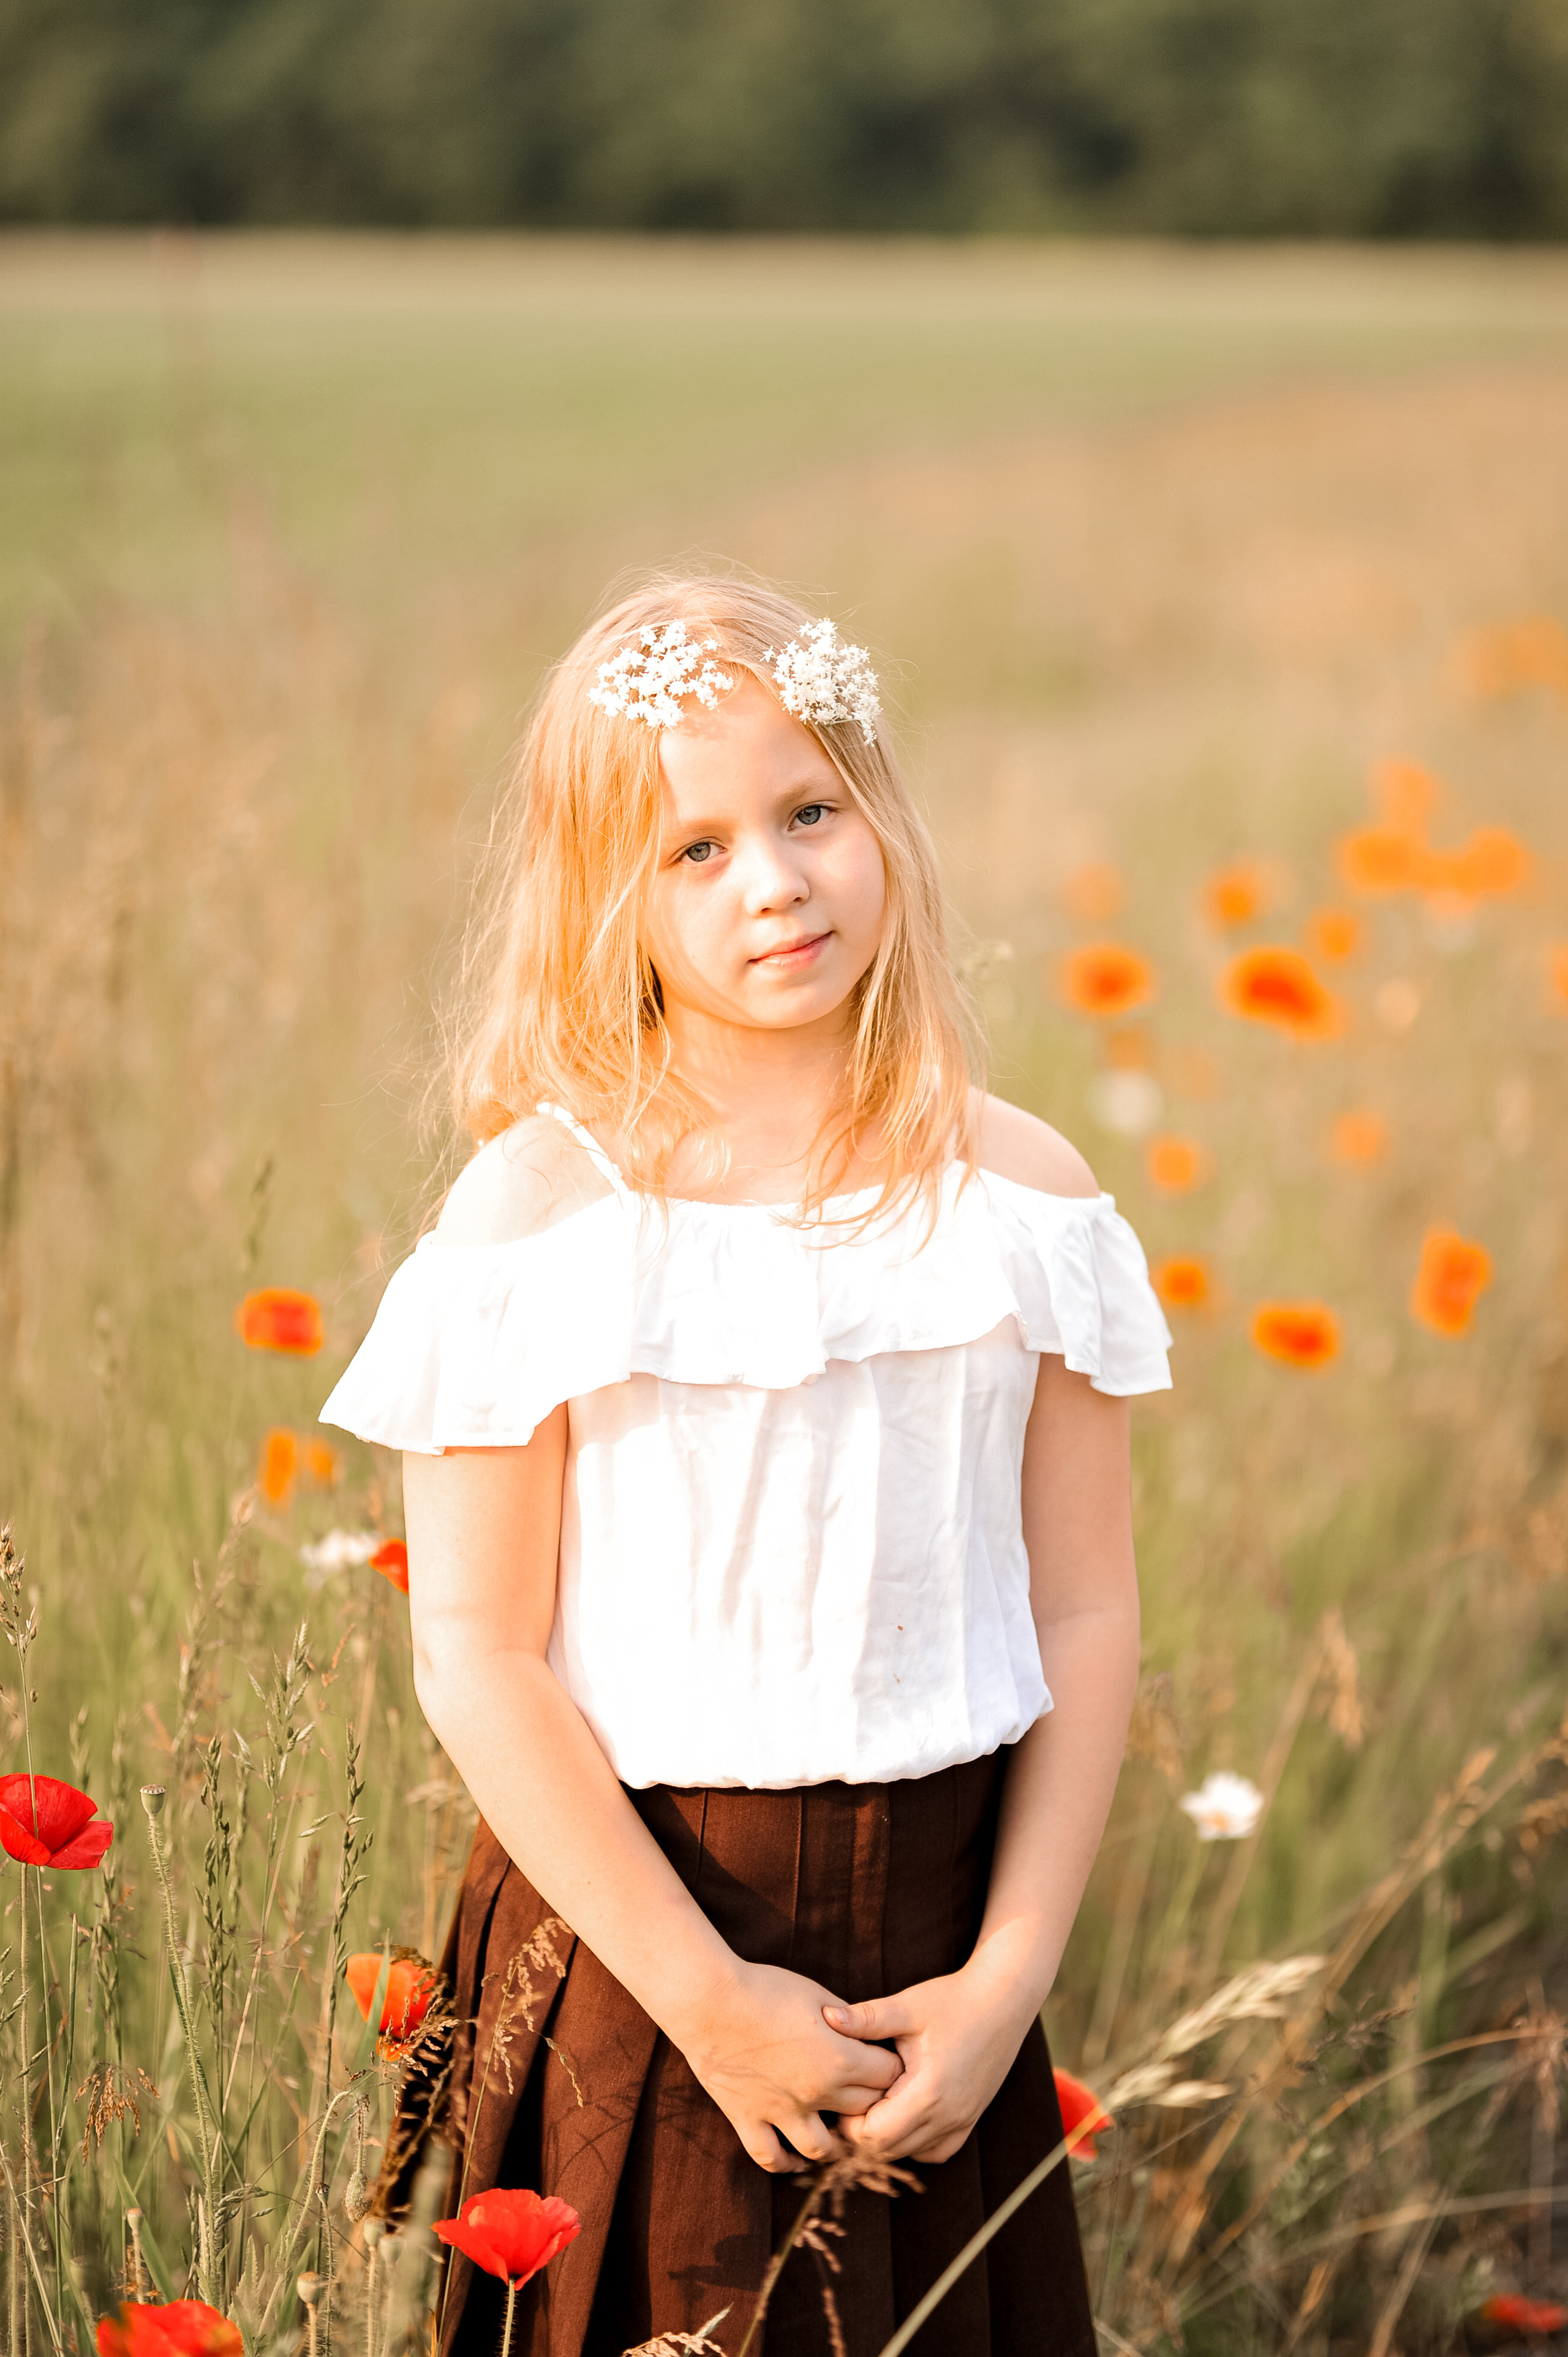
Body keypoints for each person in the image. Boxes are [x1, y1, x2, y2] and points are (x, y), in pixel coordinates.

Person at [320, 573, 1172, 2357]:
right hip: (644, 1944)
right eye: (691, 850)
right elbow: (474, 1651)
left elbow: (1087, 1610)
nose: (774, 881)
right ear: (601, 900)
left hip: (948, 1944)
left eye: (808, 812)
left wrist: (1005, 1987)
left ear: (884, 816)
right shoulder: (549, 1216)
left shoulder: (1024, 1197)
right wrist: (706, 1999)